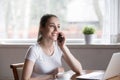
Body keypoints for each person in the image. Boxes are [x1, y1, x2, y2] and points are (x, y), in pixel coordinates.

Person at [22, 14, 83, 80]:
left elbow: (79, 70)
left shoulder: (59, 47)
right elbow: (25, 79)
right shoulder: (34, 50)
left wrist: (63, 47)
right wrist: (52, 76)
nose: (56, 30)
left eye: (58, 26)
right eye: (52, 26)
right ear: (42, 28)